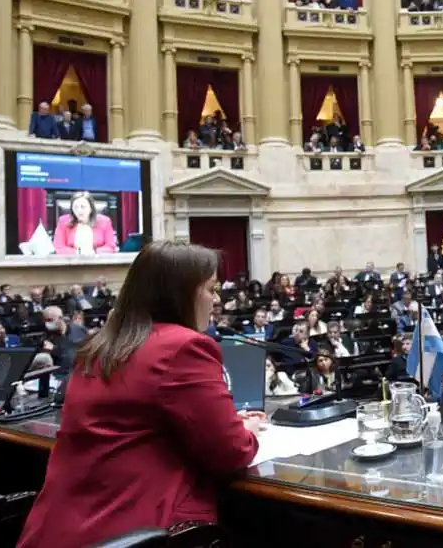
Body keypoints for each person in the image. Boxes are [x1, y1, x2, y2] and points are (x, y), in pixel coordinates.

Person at [17, 241, 261, 548]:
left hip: (58, 529)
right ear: (180, 292)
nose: (216, 301)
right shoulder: (185, 346)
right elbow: (231, 451)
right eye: (211, 289)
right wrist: (246, 430)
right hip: (135, 532)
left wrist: (222, 421)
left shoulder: (101, 345)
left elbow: (141, 425)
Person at [52, 191, 118, 255]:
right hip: (71, 262)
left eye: (83, 207)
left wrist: (94, 252)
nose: (79, 210)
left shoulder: (104, 221)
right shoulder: (63, 221)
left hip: (98, 262)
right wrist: (78, 253)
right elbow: (59, 247)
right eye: (75, 207)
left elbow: (111, 247)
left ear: (91, 208)